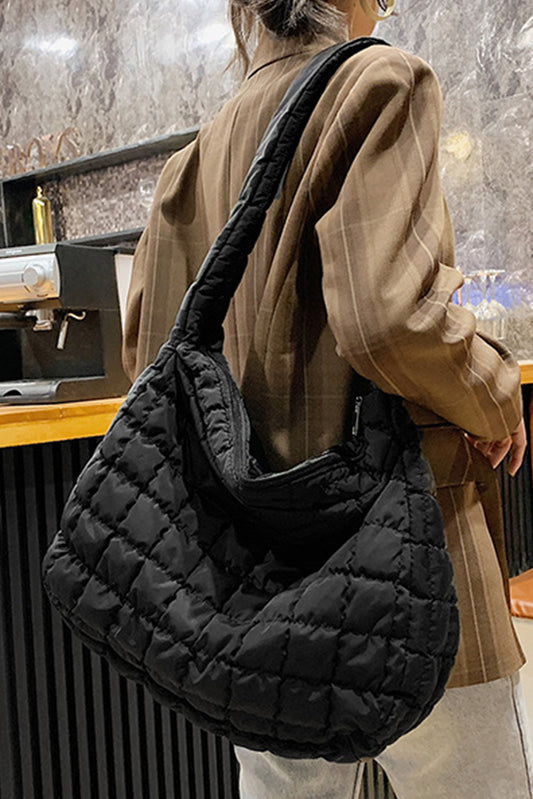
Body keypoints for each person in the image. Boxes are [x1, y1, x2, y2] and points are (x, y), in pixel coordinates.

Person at [122, 0, 533, 795]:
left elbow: (152, 367)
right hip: (411, 548)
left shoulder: (193, 158)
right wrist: (492, 392)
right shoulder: (377, 80)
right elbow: (387, 319)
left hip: (255, 581)